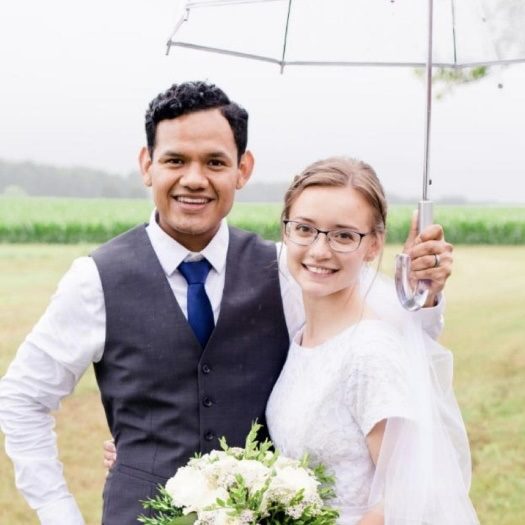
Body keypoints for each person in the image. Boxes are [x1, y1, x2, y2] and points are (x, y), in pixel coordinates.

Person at [0, 81, 452, 525]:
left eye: (215, 162)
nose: (194, 179)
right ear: (147, 165)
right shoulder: (94, 279)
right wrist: (60, 514)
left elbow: (383, 340)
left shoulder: (289, 268)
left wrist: (424, 291)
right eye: (175, 160)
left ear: (242, 169)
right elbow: (22, 400)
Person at [265, 157, 478, 524]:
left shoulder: (369, 353)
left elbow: (405, 497)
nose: (319, 250)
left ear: (374, 245)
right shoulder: (303, 334)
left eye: (344, 235)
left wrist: (423, 289)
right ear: (286, 231)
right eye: (304, 228)